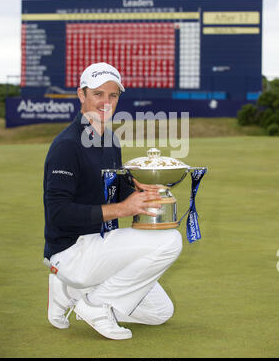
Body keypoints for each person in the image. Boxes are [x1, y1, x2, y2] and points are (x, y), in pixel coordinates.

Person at [43, 62, 182, 340]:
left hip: (101, 246)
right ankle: (94, 305)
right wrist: (122, 208)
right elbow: (58, 214)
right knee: (171, 241)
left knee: (159, 313)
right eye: (97, 94)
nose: (106, 102)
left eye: (113, 95)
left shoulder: (110, 140)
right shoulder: (66, 146)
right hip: (72, 250)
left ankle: (70, 290)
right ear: (81, 95)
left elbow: (109, 189)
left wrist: (136, 188)